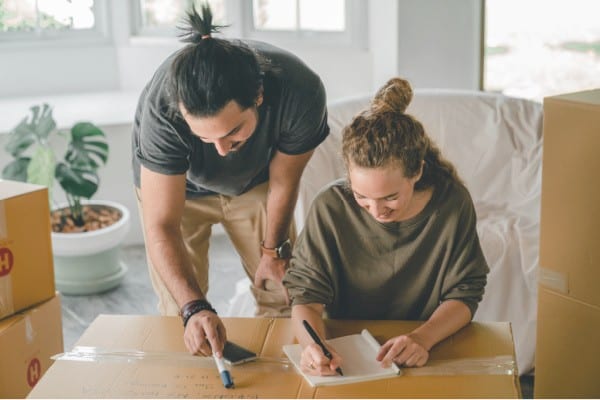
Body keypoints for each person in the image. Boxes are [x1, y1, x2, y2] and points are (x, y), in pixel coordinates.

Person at [132, 4, 329, 357]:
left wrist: (272, 251)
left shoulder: (301, 92)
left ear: (259, 96)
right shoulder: (161, 109)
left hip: (256, 184)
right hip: (178, 192)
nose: (221, 150)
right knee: (183, 312)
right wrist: (194, 307)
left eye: (234, 132)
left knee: (281, 294)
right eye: (206, 139)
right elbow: (162, 224)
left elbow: (284, 182)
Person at [283, 77, 489, 376]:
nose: (377, 211)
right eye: (361, 197)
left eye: (390, 197)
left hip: (423, 347)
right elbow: (307, 299)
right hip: (344, 353)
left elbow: (465, 293)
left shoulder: (451, 203)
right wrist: (312, 347)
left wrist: (423, 338)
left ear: (417, 170)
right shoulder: (330, 206)